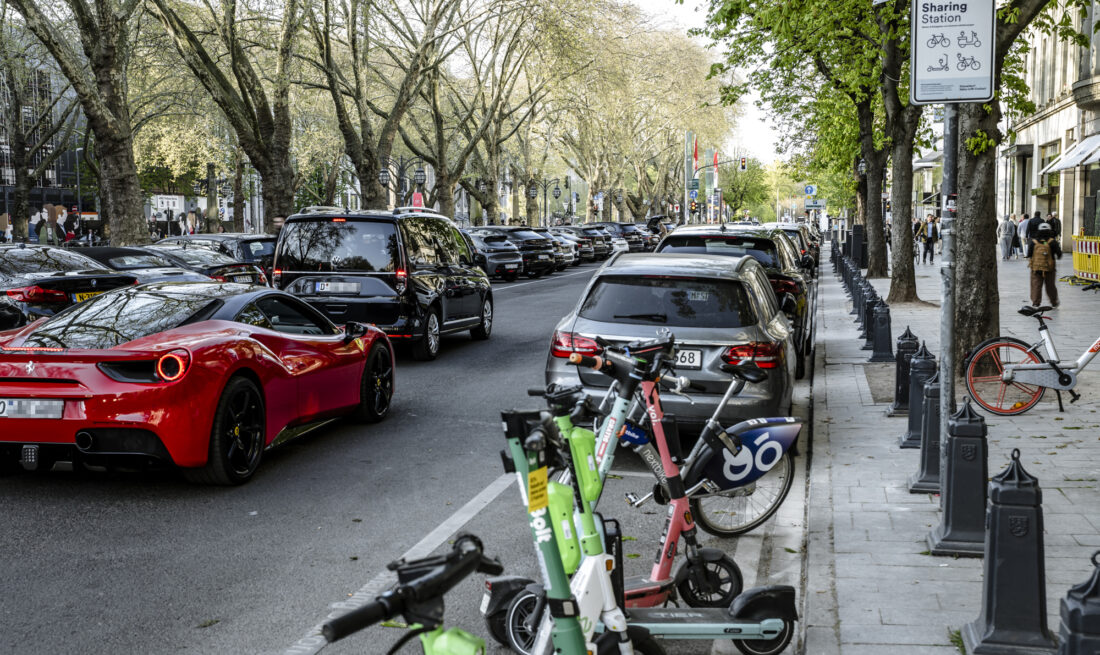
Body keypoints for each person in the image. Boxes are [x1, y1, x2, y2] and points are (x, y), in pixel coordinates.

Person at [1029, 222, 1059, 307]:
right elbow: (1059, 254)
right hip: (1050, 268)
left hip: (1036, 268)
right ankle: (1054, 301)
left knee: (1036, 285)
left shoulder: (1033, 242)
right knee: (1050, 285)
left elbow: (1029, 254)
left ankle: (1036, 302)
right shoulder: (1052, 242)